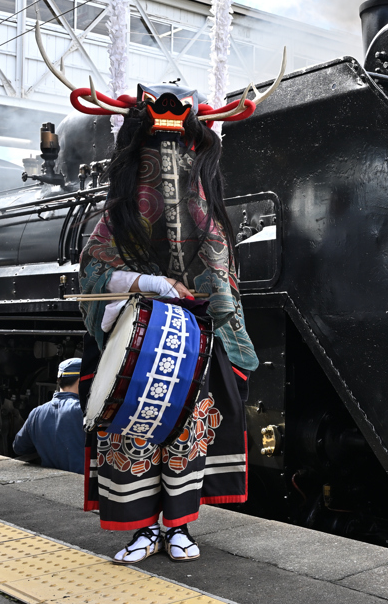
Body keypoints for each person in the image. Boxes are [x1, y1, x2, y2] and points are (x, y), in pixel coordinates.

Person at [76, 84, 258, 565]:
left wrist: (220, 315)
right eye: (159, 151)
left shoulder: (205, 209)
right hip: (130, 333)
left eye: (180, 150)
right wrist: (148, 283)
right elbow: (92, 272)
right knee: (130, 428)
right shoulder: (119, 215)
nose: (169, 164)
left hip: (191, 340)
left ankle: (177, 526)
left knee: (184, 431)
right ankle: (141, 529)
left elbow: (220, 270)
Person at [12, 358, 85, 474]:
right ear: (81, 380)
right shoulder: (84, 412)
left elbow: (19, 447)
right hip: (81, 485)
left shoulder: (37, 412)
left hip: (51, 484)